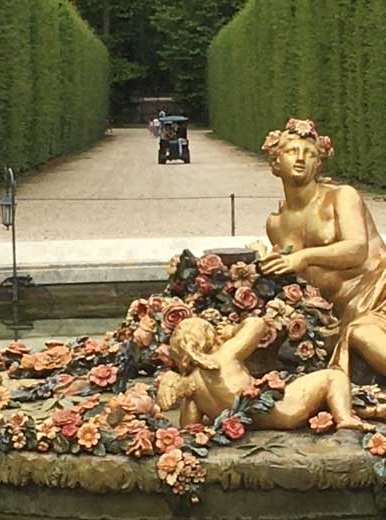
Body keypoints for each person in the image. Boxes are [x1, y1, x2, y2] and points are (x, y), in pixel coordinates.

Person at [260, 118, 386, 378]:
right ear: (275, 162)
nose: (300, 159)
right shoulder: (275, 224)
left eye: (310, 154)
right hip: (341, 314)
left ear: (318, 163)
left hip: (379, 290)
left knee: (362, 334)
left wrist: (302, 257)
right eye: (292, 151)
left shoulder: (342, 196)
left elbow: (357, 249)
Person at [157, 317, 364, 430]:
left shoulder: (191, 386)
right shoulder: (225, 354)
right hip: (282, 412)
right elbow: (257, 324)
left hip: (244, 425)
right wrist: (232, 330)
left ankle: (353, 410)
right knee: (333, 376)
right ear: (208, 336)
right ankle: (344, 417)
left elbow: (189, 426)